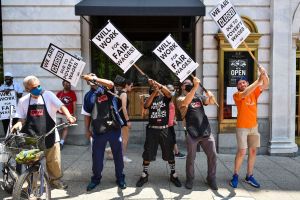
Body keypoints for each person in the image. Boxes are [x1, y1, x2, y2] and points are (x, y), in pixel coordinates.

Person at [12, 75, 76, 189]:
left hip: (50, 134)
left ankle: (55, 180)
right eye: (35, 87)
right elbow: (22, 118)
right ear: (27, 89)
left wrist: (69, 116)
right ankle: (34, 183)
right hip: (33, 138)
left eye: (39, 85)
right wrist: (18, 124)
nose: (39, 88)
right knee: (33, 163)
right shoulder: (23, 101)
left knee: (54, 162)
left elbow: (61, 106)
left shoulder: (48, 95)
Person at [81, 73, 126, 191]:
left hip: (114, 128)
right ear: (87, 82)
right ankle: (96, 178)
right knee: (97, 157)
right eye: (89, 78)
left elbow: (111, 83)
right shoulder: (87, 96)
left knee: (118, 155)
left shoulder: (107, 89)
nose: (91, 78)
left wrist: (94, 78)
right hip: (98, 130)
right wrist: (87, 130)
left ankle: (120, 178)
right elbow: (86, 115)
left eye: (93, 76)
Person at [136, 79, 182, 188]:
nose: (155, 89)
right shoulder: (150, 98)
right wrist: (154, 92)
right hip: (152, 130)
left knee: (169, 153)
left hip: (165, 129)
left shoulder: (165, 98)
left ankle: (173, 174)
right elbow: (146, 106)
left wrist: (159, 85)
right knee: (148, 152)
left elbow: (170, 93)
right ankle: (144, 174)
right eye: (152, 89)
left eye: (155, 88)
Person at [230, 66, 269, 189]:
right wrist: (258, 79)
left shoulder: (255, 92)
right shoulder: (237, 95)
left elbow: (265, 84)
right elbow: (246, 92)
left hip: (253, 127)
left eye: (244, 82)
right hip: (242, 127)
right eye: (240, 83)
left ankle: (249, 175)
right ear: (238, 87)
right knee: (242, 151)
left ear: (247, 83)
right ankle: (235, 175)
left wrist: (264, 74)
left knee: (253, 151)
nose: (242, 84)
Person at [177, 77, 218, 190]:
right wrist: (195, 87)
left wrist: (211, 96)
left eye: (190, 83)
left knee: (213, 155)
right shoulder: (180, 98)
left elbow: (209, 102)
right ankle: (190, 179)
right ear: (182, 87)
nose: (189, 84)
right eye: (186, 84)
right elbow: (186, 102)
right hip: (191, 132)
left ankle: (211, 178)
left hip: (205, 130)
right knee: (191, 157)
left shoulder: (198, 96)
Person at [166, 84, 186, 159]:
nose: (172, 91)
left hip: (170, 123)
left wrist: (174, 119)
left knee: (172, 137)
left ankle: (175, 152)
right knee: (170, 138)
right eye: (171, 90)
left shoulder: (171, 99)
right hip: (166, 123)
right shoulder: (165, 99)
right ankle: (175, 152)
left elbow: (172, 111)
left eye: (173, 90)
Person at [56, 80, 77, 149]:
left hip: (68, 114)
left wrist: (74, 114)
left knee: (65, 128)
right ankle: (57, 141)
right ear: (63, 85)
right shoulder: (59, 93)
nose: (68, 85)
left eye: (69, 84)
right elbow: (55, 103)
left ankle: (61, 143)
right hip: (59, 113)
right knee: (56, 128)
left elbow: (74, 104)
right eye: (66, 84)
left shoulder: (72, 93)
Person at [117, 79, 133, 163]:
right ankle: (122, 157)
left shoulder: (119, 93)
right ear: (126, 85)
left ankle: (111, 151)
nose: (132, 87)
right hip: (123, 118)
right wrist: (128, 120)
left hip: (119, 117)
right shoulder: (124, 94)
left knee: (120, 137)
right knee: (125, 138)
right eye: (131, 86)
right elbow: (124, 107)